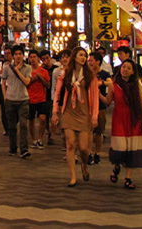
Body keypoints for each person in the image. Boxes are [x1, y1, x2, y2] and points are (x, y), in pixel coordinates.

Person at [52, 46, 99, 187]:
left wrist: (94, 116)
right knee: (71, 144)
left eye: (85, 55)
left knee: (84, 148)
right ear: (75, 57)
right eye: (80, 55)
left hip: (85, 113)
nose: (83, 58)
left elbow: (95, 98)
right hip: (68, 112)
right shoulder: (65, 73)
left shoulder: (90, 76)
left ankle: (84, 164)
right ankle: (73, 176)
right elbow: (58, 94)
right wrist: (55, 111)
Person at [102, 59, 142, 190]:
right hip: (119, 118)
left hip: (134, 118)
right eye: (124, 67)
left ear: (133, 72)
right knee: (121, 147)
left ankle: (128, 178)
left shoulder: (136, 85)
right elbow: (108, 101)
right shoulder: (114, 84)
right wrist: (97, 94)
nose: (125, 70)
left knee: (132, 149)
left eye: (129, 68)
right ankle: (117, 167)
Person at [2, 45, 32, 159]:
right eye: (16, 54)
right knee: (12, 126)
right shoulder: (7, 68)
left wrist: (18, 71)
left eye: (20, 54)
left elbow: (27, 82)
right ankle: (13, 148)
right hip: (10, 99)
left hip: (23, 99)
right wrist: (5, 97)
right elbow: (3, 83)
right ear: (13, 56)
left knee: (24, 124)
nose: (18, 56)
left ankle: (24, 149)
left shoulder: (27, 68)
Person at [89, 51, 113, 165]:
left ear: (98, 62)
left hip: (101, 106)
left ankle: (97, 153)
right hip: (88, 106)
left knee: (99, 131)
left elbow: (110, 83)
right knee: (89, 131)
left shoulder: (104, 73)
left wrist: (100, 83)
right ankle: (89, 153)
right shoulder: (86, 73)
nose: (89, 62)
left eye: (91, 60)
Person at [27, 49, 50, 149]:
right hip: (30, 98)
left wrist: (41, 78)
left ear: (38, 59)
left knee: (43, 119)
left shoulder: (43, 71)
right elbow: (25, 82)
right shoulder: (27, 70)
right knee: (31, 120)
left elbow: (48, 85)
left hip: (41, 98)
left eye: (34, 57)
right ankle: (33, 139)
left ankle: (40, 138)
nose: (32, 59)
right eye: (31, 57)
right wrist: (33, 79)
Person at [0, 46, 12, 135]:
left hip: (13, 87)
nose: (7, 55)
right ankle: (7, 128)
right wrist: (4, 69)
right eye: (6, 53)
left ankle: (12, 126)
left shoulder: (16, 64)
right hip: (3, 87)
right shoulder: (1, 63)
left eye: (9, 53)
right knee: (4, 109)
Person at [40, 50, 57, 145]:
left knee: (53, 117)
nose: (45, 61)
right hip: (44, 95)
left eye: (47, 58)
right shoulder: (41, 70)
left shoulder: (56, 69)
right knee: (44, 117)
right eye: (43, 59)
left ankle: (52, 136)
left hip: (54, 95)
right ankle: (49, 131)